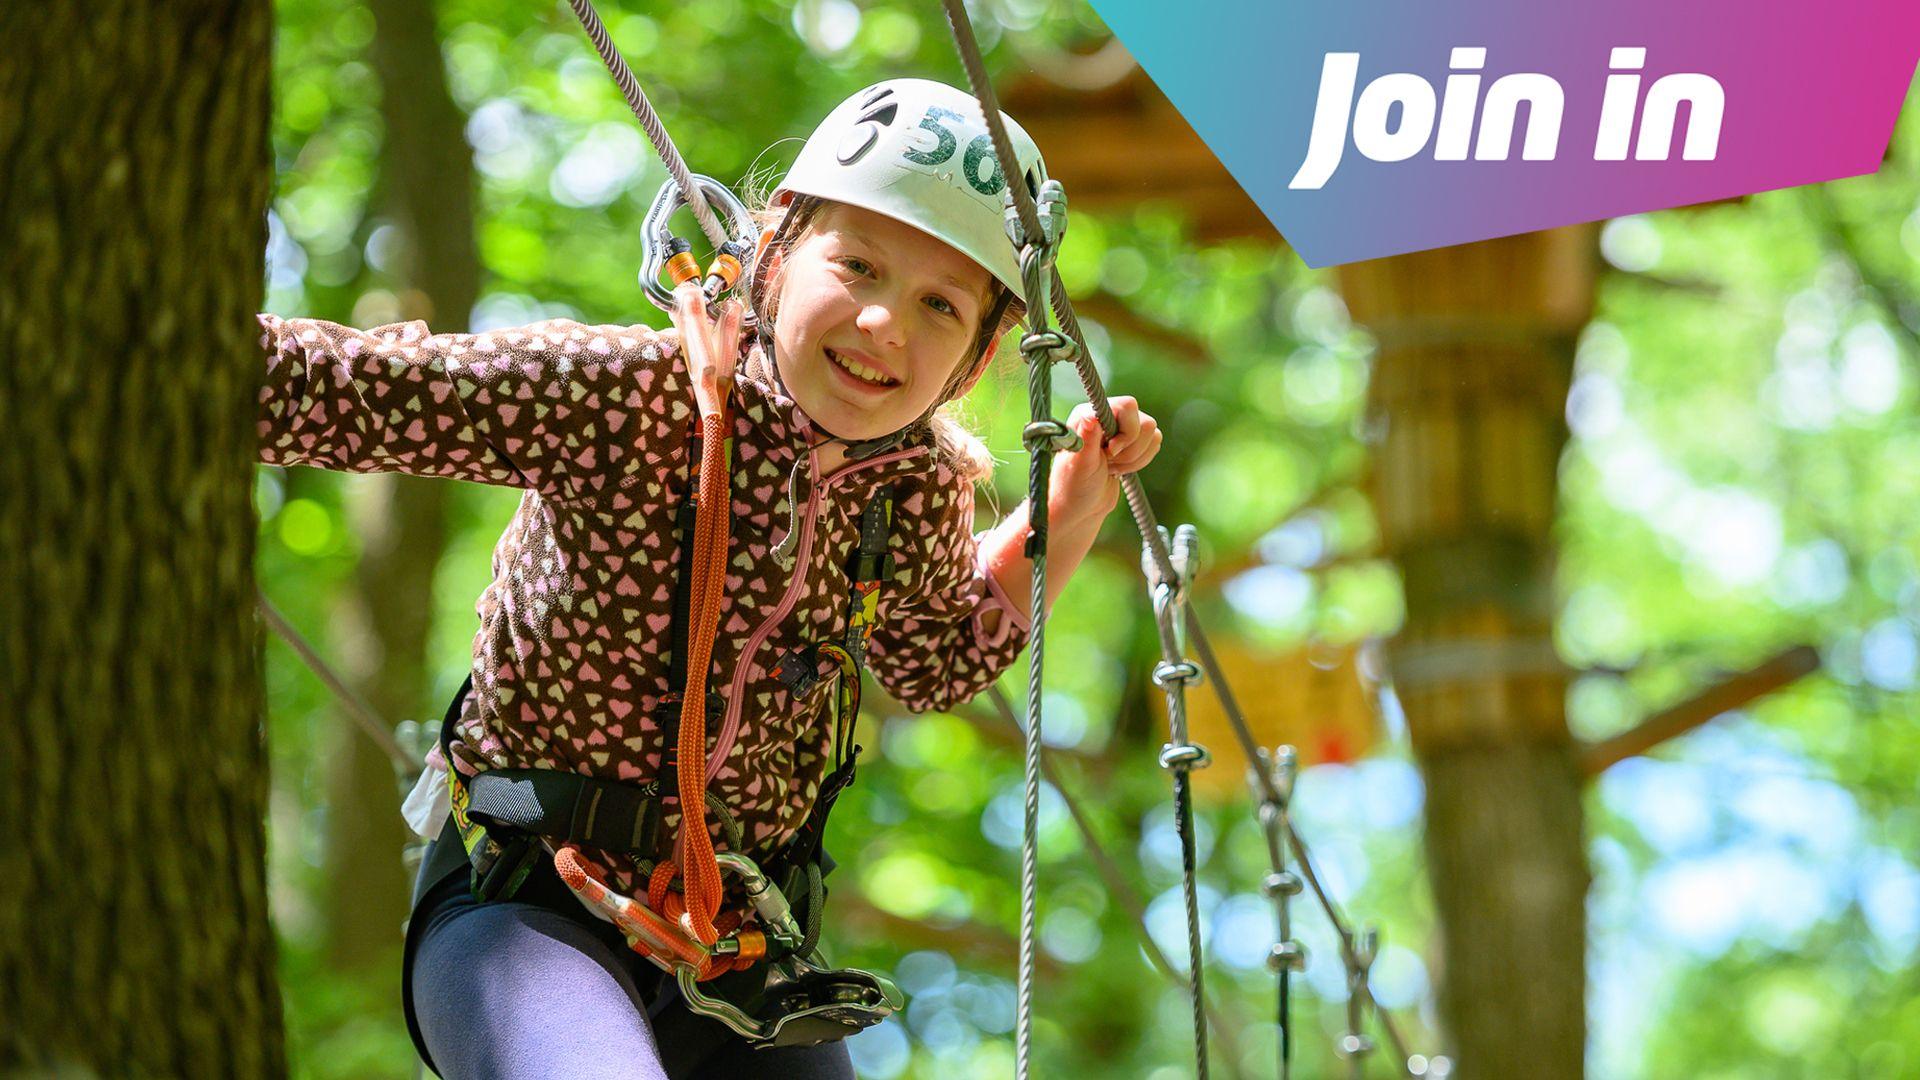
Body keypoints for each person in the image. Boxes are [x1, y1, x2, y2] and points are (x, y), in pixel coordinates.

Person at [257, 78, 1161, 1078]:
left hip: (732, 956)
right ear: (773, 252)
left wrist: (1066, 514)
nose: (882, 322)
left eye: (938, 305)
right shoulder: (623, 398)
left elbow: (935, 659)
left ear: (976, 359)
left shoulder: (910, 493)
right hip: (528, 900)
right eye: (857, 264)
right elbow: (337, 391)